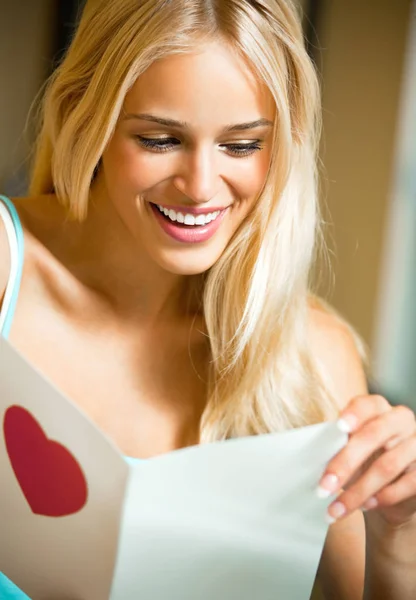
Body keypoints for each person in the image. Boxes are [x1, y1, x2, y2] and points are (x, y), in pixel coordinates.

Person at [1, 0, 416, 598]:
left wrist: (398, 537)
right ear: (85, 113)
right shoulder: (7, 269)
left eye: (242, 146)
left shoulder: (312, 358)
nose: (199, 187)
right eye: (159, 138)